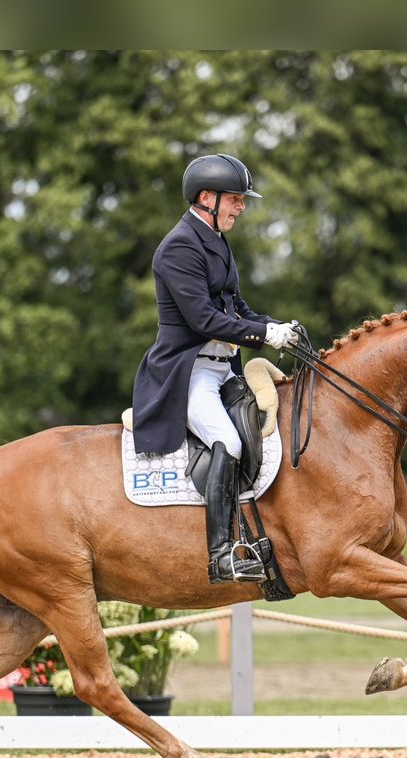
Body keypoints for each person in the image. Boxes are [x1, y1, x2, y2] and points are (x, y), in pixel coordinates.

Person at [132, 153, 299, 584]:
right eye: (235, 199)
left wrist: (277, 327)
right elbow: (203, 320)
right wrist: (263, 337)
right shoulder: (178, 247)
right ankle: (221, 554)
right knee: (229, 441)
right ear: (207, 198)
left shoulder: (217, 241)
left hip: (224, 371)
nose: (241, 207)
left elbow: (238, 308)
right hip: (187, 375)